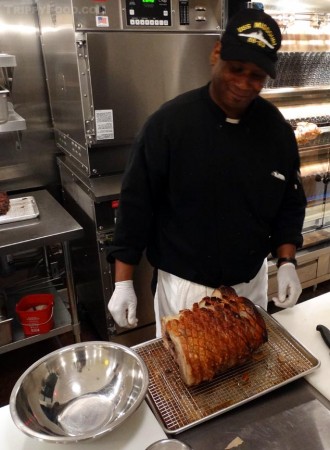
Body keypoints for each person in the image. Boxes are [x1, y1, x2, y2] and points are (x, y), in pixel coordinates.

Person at [107, 8, 307, 337]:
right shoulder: (169, 125)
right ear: (217, 53)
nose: (244, 84)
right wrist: (123, 281)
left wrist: (286, 262)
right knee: (184, 377)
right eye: (236, 68)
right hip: (186, 289)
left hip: (250, 286)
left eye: (256, 76)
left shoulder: (276, 131)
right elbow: (136, 205)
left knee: (250, 375)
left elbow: (289, 202)